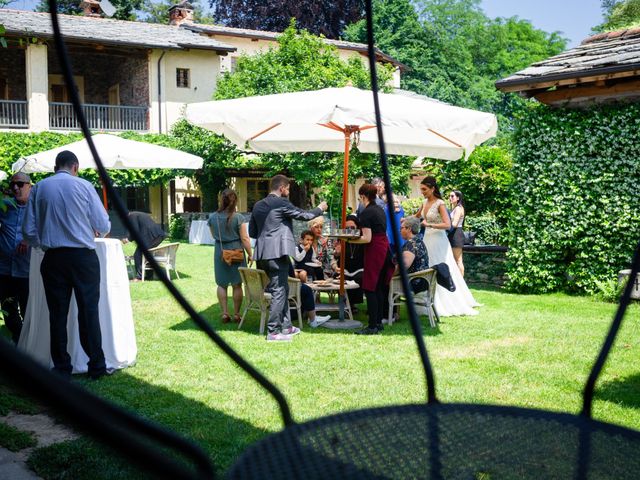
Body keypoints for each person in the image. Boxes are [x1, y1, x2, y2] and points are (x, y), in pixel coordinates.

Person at [23, 150, 111, 379]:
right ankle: (97, 366)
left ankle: (61, 367)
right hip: (83, 258)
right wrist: (94, 230)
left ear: (56, 167)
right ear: (76, 166)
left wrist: (42, 245)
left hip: (54, 258)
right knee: (89, 312)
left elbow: (28, 230)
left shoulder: (40, 187)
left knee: (57, 315)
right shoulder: (84, 186)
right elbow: (103, 224)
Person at [249, 175, 327, 341]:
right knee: (279, 290)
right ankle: (273, 331)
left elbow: (252, 233)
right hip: (277, 253)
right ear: (282, 188)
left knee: (281, 288)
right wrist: (319, 208)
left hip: (262, 254)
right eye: (288, 189)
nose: (288, 192)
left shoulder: (257, 205)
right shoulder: (281, 203)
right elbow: (304, 215)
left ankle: (286, 327)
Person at [420, 176, 479, 317]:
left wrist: (429, 225)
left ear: (432, 189)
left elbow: (447, 225)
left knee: (443, 268)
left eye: (424, 189)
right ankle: (430, 299)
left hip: (439, 240)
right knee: (428, 268)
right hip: (427, 239)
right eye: (421, 189)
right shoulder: (423, 202)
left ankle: (448, 301)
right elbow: (417, 216)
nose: (422, 192)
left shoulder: (440, 203)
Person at [348, 184, 394, 335]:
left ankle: (372, 326)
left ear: (363, 196)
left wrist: (350, 240)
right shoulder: (380, 210)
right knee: (379, 287)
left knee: (370, 287)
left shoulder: (367, 213)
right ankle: (378, 323)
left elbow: (367, 238)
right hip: (384, 248)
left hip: (375, 250)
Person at [208, 189, 252, 324]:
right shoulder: (238, 217)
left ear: (222, 200)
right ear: (235, 201)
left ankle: (224, 313)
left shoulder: (212, 217)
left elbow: (213, 235)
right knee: (237, 284)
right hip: (237, 251)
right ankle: (237, 314)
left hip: (220, 252)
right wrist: (250, 254)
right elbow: (244, 238)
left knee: (221, 284)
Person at [0, 173, 32, 344]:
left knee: (28, 310)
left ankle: (29, 343)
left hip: (26, 270)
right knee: (8, 309)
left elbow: (44, 230)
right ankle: (19, 339)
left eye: (20, 184)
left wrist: (29, 238)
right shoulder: (5, 206)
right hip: (4, 269)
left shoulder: (36, 209)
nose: (15, 188)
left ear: (29, 186)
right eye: (12, 185)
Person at [331, 215, 364, 310]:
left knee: (359, 278)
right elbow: (334, 257)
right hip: (345, 269)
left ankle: (353, 304)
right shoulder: (342, 239)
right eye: (347, 228)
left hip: (359, 269)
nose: (350, 230)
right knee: (339, 277)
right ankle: (345, 302)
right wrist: (337, 253)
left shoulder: (363, 239)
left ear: (357, 227)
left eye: (352, 228)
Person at [124, 211, 167, 281]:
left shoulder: (131, 216)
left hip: (152, 235)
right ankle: (149, 276)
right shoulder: (136, 214)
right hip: (157, 235)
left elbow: (135, 230)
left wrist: (128, 239)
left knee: (138, 255)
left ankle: (139, 277)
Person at [288, 263, 331, 327]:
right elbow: (292, 274)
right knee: (307, 290)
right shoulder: (284, 258)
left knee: (305, 288)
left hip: (274, 287)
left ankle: (311, 316)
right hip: (286, 287)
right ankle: (313, 320)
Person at [448, 190, 466, 276]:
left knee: (458, 260)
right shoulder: (454, 208)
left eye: (452, 196)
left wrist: (444, 225)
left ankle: (461, 285)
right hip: (452, 234)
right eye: (449, 196)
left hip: (456, 234)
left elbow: (454, 224)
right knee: (454, 260)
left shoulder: (458, 208)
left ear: (458, 198)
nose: (450, 198)